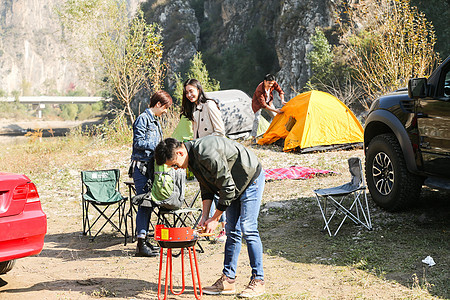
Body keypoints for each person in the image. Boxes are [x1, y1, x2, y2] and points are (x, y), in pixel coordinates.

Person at [155, 136, 266, 298]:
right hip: (233, 185)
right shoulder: (190, 158)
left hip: (249, 178)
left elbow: (227, 188)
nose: (176, 169)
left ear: (179, 152)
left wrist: (215, 219)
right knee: (232, 231)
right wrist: (205, 216)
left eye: (174, 165)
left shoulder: (205, 153)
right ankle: (228, 280)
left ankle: (259, 280)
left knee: (248, 228)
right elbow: (206, 187)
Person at [181, 78, 227, 242]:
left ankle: (224, 229)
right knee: (208, 190)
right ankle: (208, 227)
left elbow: (220, 132)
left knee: (220, 191)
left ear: (199, 89)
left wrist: (200, 144)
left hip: (214, 154)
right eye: (186, 92)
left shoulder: (209, 105)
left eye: (191, 91)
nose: (189, 95)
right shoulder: (194, 109)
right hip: (201, 157)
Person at [130, 90, 173, 257]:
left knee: (150, 202)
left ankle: (146, 239)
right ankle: (140, 243)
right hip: (140, 168)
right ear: (158, 105)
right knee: (144, 203)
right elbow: (138, 142)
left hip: (151, 167)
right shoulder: (143, 119)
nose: (166, 111)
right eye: (165, 108)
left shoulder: (155, 121)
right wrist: (158, 145)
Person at [251, 73, 286, 143]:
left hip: (268, 102)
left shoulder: (273, 83)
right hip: (258, 104)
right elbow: (263, 105)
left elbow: (280, 91)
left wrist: (282, 100)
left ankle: (276, 134)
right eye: (269, 83)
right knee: (257, 119)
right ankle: (253, 138)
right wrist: (276, 110)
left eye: (272, 84)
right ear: (264, 81)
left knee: (276, 117)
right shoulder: (259, 89)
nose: (270, 85)